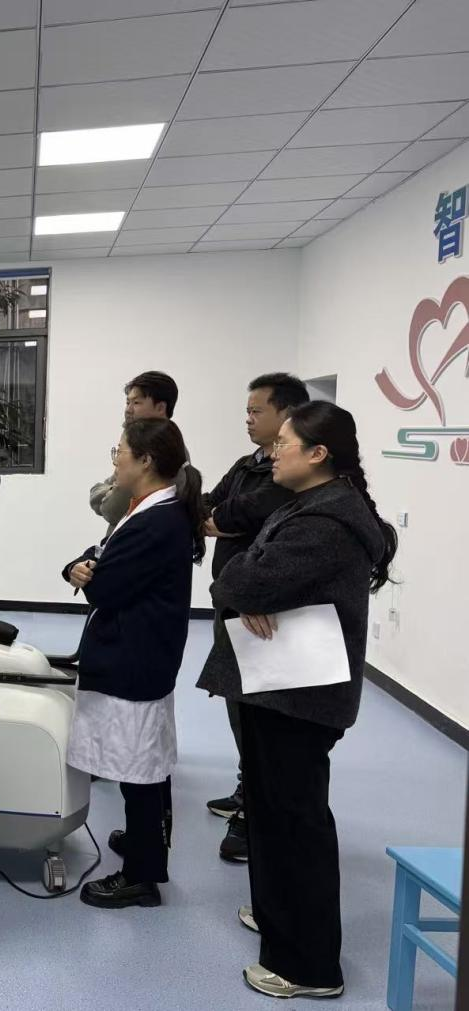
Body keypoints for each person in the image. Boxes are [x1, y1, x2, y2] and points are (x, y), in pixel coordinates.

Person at [198, 401, 396, 1000]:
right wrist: (249, 587)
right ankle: (276, 914)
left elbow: (238, 578)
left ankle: (308, 966)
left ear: (318, 454)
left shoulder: (325, 520)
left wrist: (244, 587)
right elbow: (248, 576)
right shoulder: (310, 504)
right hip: (280, 689)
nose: (272, 450)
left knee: (295, 821)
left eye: (284, 441)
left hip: (298, 697)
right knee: (272, 811)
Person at [62, 418, 205, 910]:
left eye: (119, 451)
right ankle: (147, 844)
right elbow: (101, 556)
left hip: (135, 658)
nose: (115, 460)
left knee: (138, 767)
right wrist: (80, 566)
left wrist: (89, 574)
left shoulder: (157, 521)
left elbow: (105, 584)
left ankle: (141, 877)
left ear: (145, 460)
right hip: (143, 653)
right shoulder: (148, 510)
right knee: (144, 761)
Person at [201, 373, 311, 863]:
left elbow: (241, 516)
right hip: (233, 602)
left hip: (265, 611)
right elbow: (208, 507)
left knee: (264, 711)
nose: (247, 419)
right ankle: (249, 789)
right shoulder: (249, 464)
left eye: (256, 411)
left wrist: (224, 520)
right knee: (239, 706)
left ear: (286, 414)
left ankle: (256, 814)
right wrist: (222, 519)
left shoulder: (292, 480)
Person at [90, 371, 179, 533]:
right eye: (127, 402)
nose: (128, 410)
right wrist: (111, 490)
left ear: (160, 408)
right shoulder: (149, 443)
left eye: (136, 403)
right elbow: (103, 489)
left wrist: (109, 491)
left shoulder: (162, 450)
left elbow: (112, 509)